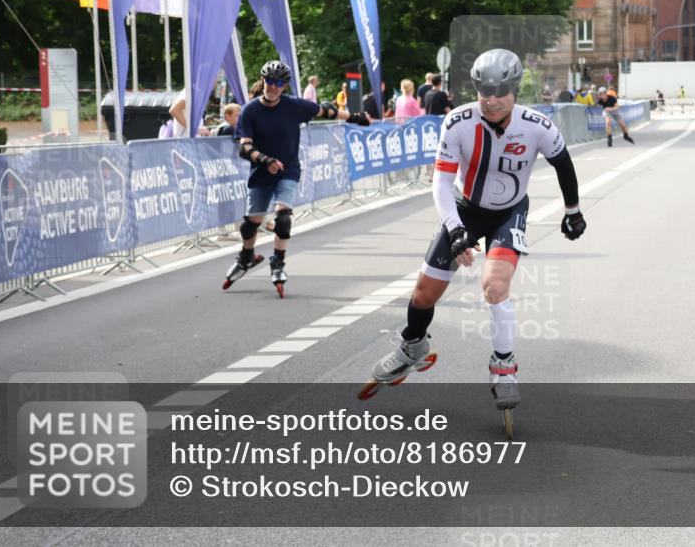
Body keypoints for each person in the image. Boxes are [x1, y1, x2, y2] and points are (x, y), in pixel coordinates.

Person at [360, 48, 586, 416]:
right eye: (485, 93)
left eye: (500, 93)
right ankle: (413, 345)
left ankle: (504, 367)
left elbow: (563, 165)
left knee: (495, 286)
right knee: (422, 295)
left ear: (514, 90)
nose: (492, 101)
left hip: (509, 212)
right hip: (464, 210)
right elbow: (441, 183)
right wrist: (455, 231)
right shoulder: (458, 122)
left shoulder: (537, 126)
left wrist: (573, 212)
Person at [223, 60, 370, 296]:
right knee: (251, 224)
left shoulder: (293, 106)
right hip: (261, 172)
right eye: (270, 81)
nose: (273, 87)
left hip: (288, 170)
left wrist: (355, 117)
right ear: (263, 81)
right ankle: (246, 257)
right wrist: (265, 160)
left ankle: (278, 263)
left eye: (279, 83)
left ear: (285, 85)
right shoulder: (250, 110)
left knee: (283, 218)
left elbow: (326, 110)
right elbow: (244, 147)